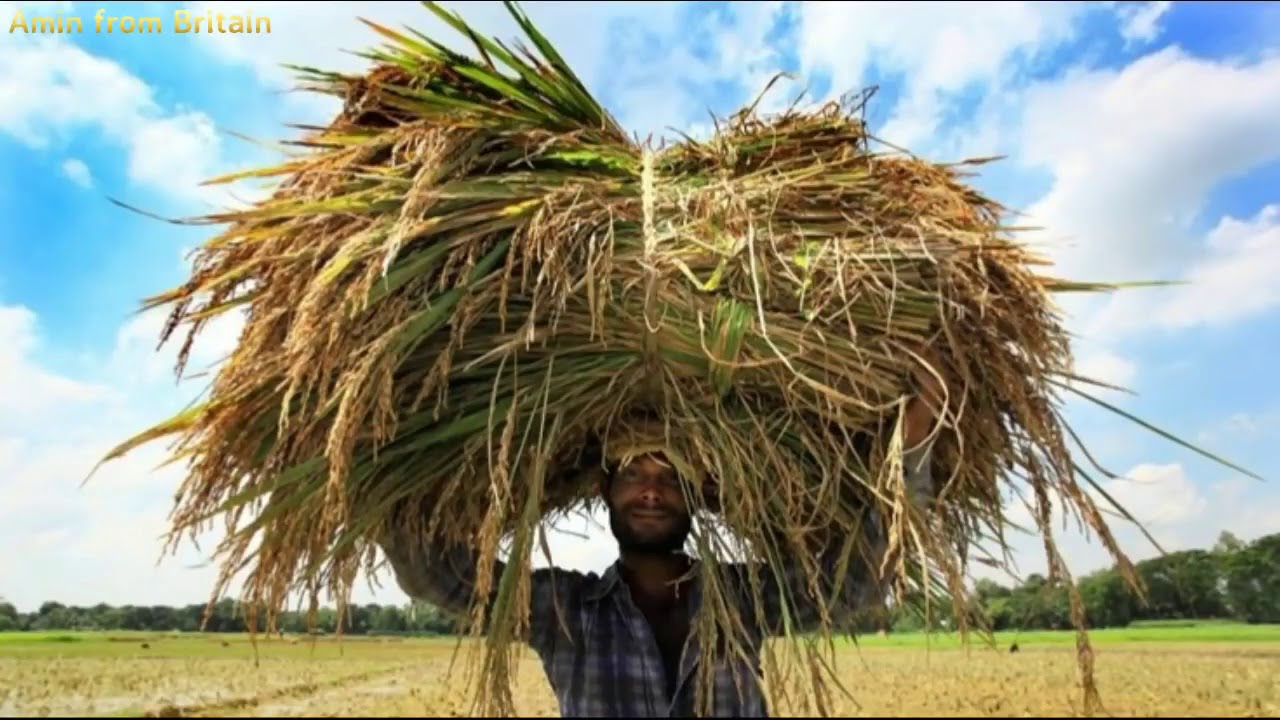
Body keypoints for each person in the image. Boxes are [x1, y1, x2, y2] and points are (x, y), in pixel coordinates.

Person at [378, 347, 949, 717]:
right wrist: (394, 458)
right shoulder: (563, 609)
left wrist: (913, 443)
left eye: (671, 478)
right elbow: (436, 576)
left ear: (700, 495)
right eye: (633, 474)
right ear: (604, 489)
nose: (651, 491)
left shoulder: (742, 599)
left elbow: (855, 584)